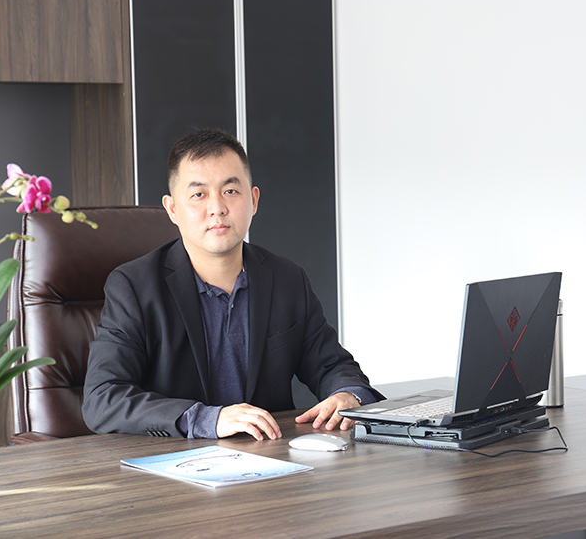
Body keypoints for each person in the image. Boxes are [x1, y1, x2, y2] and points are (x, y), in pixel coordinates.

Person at [82, 128, 383, 440]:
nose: (217, 208)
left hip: (272, 454)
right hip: (175, 461)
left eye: (230, 191)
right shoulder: (134, 286)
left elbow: (332, 366)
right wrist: (207, 419)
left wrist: (348, 395)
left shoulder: (287, 279)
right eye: (198, 194)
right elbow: (103, 398)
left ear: (253, 200)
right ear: (172, 209)